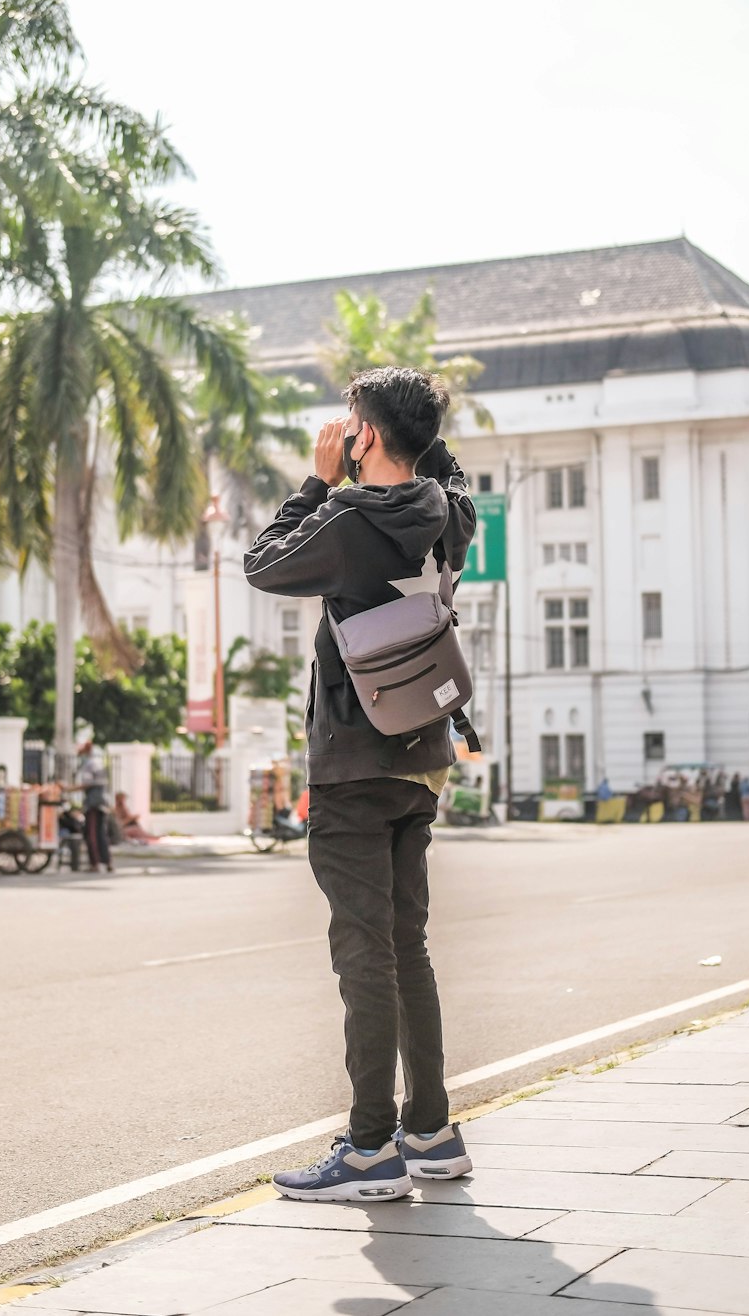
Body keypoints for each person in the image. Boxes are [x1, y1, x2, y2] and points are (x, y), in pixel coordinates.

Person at [244, 366, 476, 1202]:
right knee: (405, 944)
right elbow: (447, 471)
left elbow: (263, 565)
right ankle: (433, 1131)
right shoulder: (449, 514)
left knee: (363, 954)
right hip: (422, 758)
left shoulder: (345, 519)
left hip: (352, 761)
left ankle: (373, 1145)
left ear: (364, 437)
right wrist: (411, 429)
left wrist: (316, 478)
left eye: (351, 420)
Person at [76, 738, 112, 872]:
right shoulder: (99, 762)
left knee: (92, 834)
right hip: (102, 801)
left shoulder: (89, 764)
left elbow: (86, 784)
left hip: (93, 803)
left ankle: (95, 863)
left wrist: (69, 789)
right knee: (101, 833)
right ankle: (107, 861)